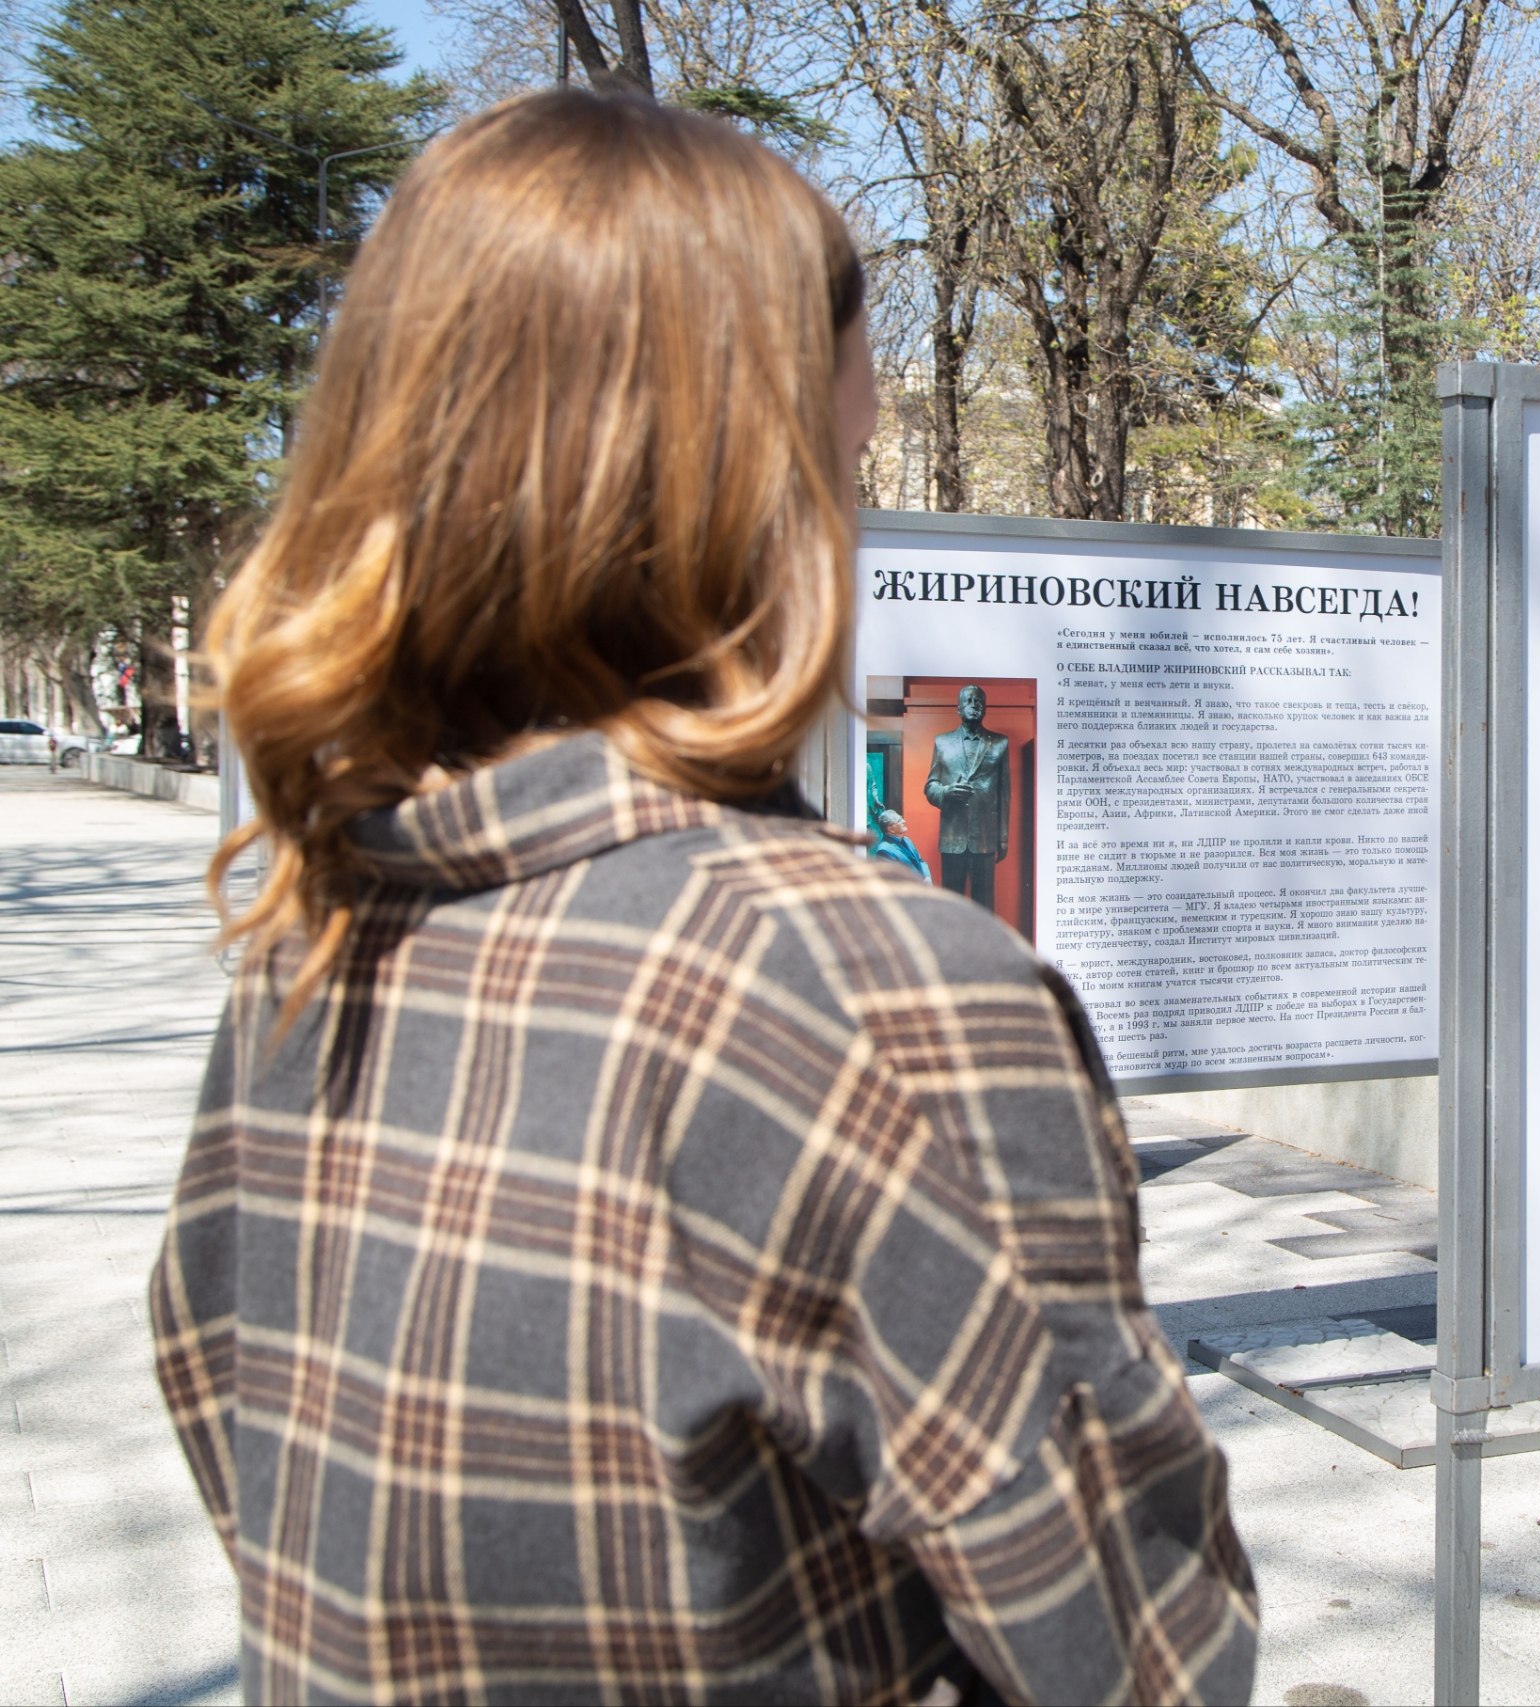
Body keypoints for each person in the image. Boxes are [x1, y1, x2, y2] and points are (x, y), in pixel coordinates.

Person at [154, 91, 1255, 1705]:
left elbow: (218, 1389)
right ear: (738, 506)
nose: (854, 533)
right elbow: (1142, 1655)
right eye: (843, 464)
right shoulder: (876, 1000)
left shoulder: (310, 940)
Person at [925, 682, 1012, 906]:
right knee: (950, 902)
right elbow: (930, 786)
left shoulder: (1000, 743)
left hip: (985, 837)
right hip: (952, 835)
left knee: (984, 903)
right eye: (969, 701)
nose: (974, 705)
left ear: (985, 708)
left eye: (979, 701)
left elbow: (1004, 794)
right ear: (958, 708)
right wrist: (946, 792)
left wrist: (1002, 839)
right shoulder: (942, 742)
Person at [871, 806, 931, 878]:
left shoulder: (907, 840)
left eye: (901, 818)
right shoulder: (884, 850)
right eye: (899, 820)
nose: (904, 821)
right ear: (891, 829)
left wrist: (927, 877)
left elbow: (920, 861)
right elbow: (896, 878)